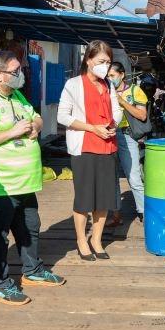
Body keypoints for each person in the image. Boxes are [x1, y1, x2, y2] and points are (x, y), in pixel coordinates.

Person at [0, 50, 65, 306]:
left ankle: (32, 270)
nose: (20, 74)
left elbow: (36, 117)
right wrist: (12, 132)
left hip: (25, 181)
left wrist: (36, 126)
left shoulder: (16, 94)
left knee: (30, 227)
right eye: (15, 71)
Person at [57, 40, 123, 261]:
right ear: (88, 60)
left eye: (108, 61)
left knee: (104, 197)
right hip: (84, 146)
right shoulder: (73, 84)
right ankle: (81, 240)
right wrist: (92, 128)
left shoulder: (109, 85)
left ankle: (97, 239)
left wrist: (112, 124)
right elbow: (62, 116)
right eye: (102, 61)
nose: (106, 65)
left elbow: (117, 111)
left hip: (108, 145)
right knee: (84, 198)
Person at [106, 62, 146, 226]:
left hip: (127, 136)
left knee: (134, 178)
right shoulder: (105, 91)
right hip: (108, 135)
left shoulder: (135, 91)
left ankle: (144, 214)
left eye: (112, 75)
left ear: (122, 74)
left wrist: (122, 102)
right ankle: (116, 215)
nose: (110, 79)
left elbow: (142, 115)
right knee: (111, 178)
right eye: (108, 76)